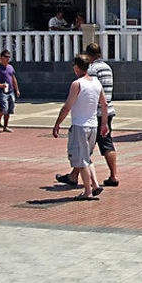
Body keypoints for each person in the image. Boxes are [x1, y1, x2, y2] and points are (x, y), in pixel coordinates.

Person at [56, 42, 119, 188]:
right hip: (107, 110)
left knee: (88, 146)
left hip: (93, 113)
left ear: (89, 56)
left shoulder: (92, 70)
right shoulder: (107, 68)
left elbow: (88, 92)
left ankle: (88, 179)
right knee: (103, 144)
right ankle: (76, 175)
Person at [52, 54, 109, 200]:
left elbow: (67, 106)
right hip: (93, 125)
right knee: (87, 157)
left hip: (80, 125)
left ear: (77, 67)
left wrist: (58, 123)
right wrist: (104, 123)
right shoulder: (96, 82)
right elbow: (104, 104)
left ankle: (88, 191)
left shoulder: (77, 84)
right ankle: (95, 185)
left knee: (81, 159)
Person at [0, 50, 20, 132]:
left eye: (9, 57)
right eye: (6, 57)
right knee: (4, 108)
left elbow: (14, 79)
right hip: (2, 91)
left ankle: (5, 126)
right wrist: (0, 85)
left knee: (10, 108)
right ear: (2, 58)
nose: (8, 59)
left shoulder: (10, 67)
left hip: (10, 91)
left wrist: (17, 89)